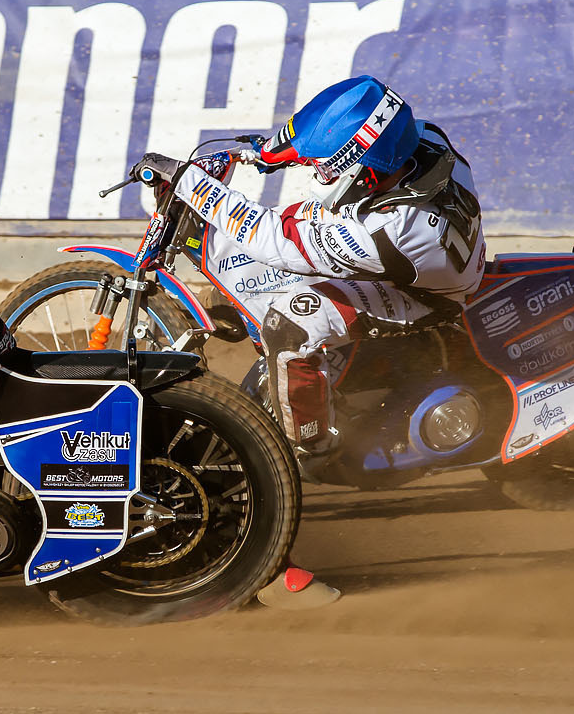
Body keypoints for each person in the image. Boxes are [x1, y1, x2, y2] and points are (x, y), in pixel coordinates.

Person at [130, 75, 485, 462]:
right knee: (269, 245)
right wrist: (263, 154)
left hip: (422, 296)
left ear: (363, 174)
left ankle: (311, 445)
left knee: (290, 325)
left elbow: (277, 240)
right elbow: (344, 137)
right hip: (418, 259)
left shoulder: (390, 229)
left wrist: (191, 184)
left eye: (328, 169)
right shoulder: (420, 141)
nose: (320, 173)